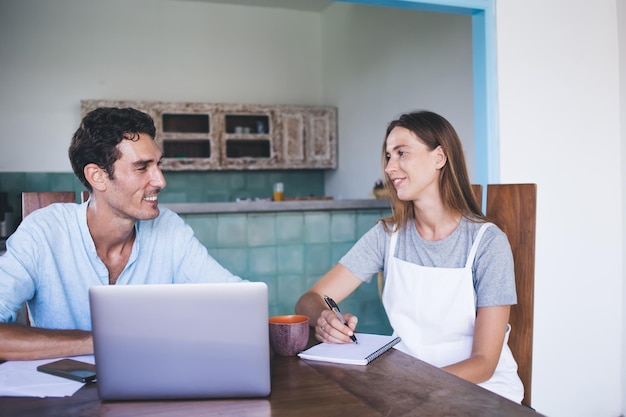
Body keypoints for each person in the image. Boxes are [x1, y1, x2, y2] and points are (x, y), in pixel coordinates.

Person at [295, 110, 524, 403]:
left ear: (439, 157)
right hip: (405, 388)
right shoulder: (387, 237)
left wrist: (411, 388)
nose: (390, 168)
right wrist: (323, 316)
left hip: (480, 393)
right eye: (388, 156)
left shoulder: (487, 243)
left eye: (402, 153)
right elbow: (309, 298)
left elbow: (483, 363)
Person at [0, 107, 242, 361]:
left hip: (151, 387)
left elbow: (237, 302)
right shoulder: (43, 233)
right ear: (98, 176)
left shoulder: (168, 228)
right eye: (141, 167)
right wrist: (104, 341)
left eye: (157, 165)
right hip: (62, 397)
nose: (160, 181)